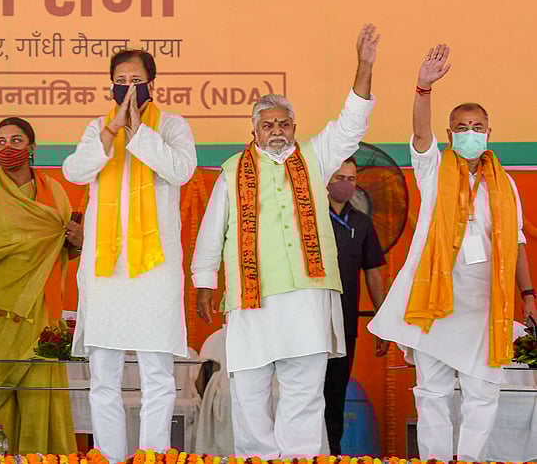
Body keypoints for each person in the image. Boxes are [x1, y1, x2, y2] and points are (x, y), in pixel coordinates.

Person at [191, 24, 380, 458]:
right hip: (251, 298)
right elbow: (211, 230)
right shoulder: (232, 170)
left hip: (307, 295)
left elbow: (351, 123)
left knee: (304, 391)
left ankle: (298, 458)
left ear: (295, 127)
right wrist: (204, 281)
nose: (276, 129)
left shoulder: (316, 157)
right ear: (254, 130)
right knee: (250, 392)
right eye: (267, 123)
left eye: (283, 123)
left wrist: (364, 65)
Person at [368, 44, 537, 462]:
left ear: (489, 133)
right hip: (435, 304)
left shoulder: (506, 185)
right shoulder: (433, 170)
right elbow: (420, 136)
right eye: (461, 126)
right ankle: (436, 460)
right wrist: (422, 89)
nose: (469, 132)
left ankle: (472, 460)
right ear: (450, 135)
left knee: (483, 392)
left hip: (484, 307)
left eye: (477, 126)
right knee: (433, 393)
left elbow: (516, 243)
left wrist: (528, 295)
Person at [62, 49, 197, 463]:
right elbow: (75, 171)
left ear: (151, 85)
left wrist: (139, 133)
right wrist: (111, 133)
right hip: (105, 270)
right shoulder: (97, 127)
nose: (128, 87)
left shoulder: (172, 126)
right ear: (110, 84)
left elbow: (181, 171)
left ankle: (152, 457)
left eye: (136, 80)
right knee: (103, 374)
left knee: (157, 374)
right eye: (121, 79)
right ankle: (109, 457)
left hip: (153, 269)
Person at [0, 117, 82, 454]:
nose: (8, 148)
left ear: (32, 148)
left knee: (40, 395)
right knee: (1, 397)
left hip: (41, 312)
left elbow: (65, 248)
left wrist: (78, 241)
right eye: (1, 141)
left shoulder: (55, 192)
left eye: (17, 141)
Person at [322, 156, 387, 455]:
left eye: (351, 179)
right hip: (309, 321)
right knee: (304, 393)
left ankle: (331, 453)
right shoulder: (310, 219)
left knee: (335, 395)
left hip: (345, 324)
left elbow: (373, 271)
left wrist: (381, 321)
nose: (345, 185)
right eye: (339, 178)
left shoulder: (361, 222)